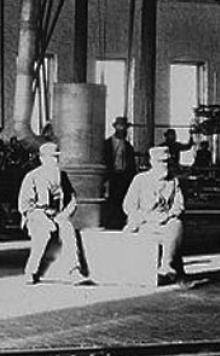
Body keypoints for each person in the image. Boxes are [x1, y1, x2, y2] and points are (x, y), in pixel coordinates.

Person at [17, 142, 86, 285]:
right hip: (36, 215)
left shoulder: (62, 176)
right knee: (43, 232)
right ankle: (31, 271)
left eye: (56, 158)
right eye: (50, 158)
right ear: (42, 159)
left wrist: (64, 215)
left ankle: (74, 271)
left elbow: (72, 200)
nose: (54, 161)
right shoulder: (32, 177)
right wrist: (43, 218)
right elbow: (25, 206)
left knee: (68, 229)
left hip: (57, 215)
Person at [123, 146, 185, 283]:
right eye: (161, 162)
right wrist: (145, 218)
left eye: (167, 161)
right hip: (144, 223)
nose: (165, 165)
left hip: (165, 223)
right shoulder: (140, 180)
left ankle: (166, 266)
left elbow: (179, 205)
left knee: (177, 225)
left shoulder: (173, 182)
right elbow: (128, 206)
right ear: (152, 162)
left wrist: (168, 216)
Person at [103, 116, 137, 229]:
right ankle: (111, 223)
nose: (122, 129)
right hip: (111, 177)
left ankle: (120, 223)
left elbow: (132, 166)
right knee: (111, 200)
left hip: (124, 178)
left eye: (124, 127)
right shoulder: (106, 144)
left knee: (123, 200)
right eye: (120, 126)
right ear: (115, 127)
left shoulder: (128, 147)